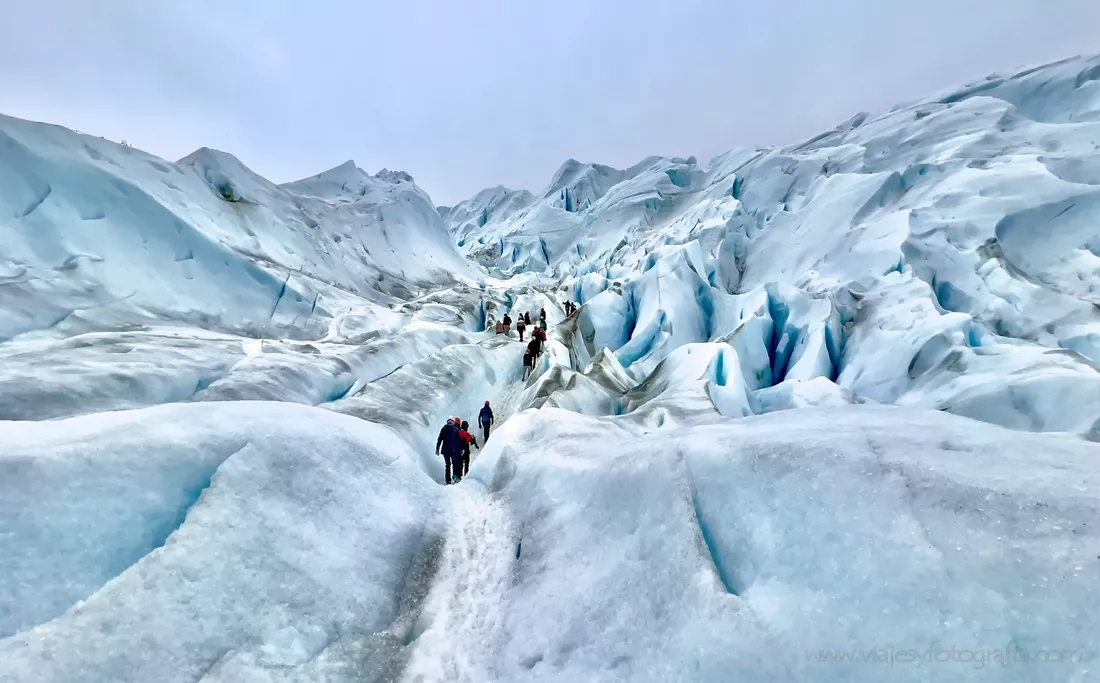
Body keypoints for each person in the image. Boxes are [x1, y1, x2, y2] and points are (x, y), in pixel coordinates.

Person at [436, 418, 465, 484]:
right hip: (453, 450)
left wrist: (437, 448)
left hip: (445, 451)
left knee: (447, 465)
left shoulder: (444, 428)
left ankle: (448, 480)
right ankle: (455, 477)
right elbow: (459, 441)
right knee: (454, 463)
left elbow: (440, 439)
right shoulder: (455, 429)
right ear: (453, 422)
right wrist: (461, 449)